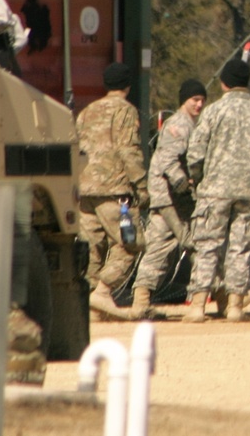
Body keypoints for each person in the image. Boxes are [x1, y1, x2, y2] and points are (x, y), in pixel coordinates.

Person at [184, 59, 250, 323]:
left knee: (207, 246)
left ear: (224, 83)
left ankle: (197, 306)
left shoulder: (213, 112)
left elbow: (195, 153)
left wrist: (197, 179)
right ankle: (235, 306)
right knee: (241, 248)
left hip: (215, 189)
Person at [128, 78, 206, 320]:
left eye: (203, 100)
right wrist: (185, 184)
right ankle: (213, 296)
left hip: (166, 199)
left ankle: (141, 301)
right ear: (185, 100)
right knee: (199, 243)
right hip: (174, 199)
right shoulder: (179, 125)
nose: (200, 104)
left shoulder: (187, 124)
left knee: (158, 248)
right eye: (195, 100)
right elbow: (168, 161)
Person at [75, 62, 148, 320]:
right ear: (127, 85)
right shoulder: (126, 111)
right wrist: (141, 184)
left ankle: (91, 306)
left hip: (85, 189)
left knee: (92, 247)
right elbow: (128, 150)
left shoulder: (87, 111)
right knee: (131, 242)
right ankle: (103, 292)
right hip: (116, 190)